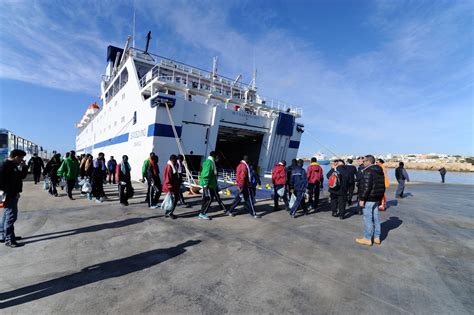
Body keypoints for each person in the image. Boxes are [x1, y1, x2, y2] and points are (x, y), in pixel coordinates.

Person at [355, 155, 386, 246]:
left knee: (368, 218)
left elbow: (366, 187)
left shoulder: (368, 171)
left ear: (368, 161)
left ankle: (367, 238)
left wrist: (362, 199)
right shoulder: (379, 170)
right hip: (376, 198)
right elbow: (382, 186)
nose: (363, 162)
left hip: (369, 198)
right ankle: (377, 237)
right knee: (375, 217)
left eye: (364, 161)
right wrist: (380, 198)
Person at [0, 149, 28, 247]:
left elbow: (21, 177)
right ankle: (9, 239)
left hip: (12, 194)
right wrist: (13, 193)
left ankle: (3, 235)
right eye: (21, 158)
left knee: (6, 215)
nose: (22, 160)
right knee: (11, 217)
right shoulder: (5, 165)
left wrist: (24, 167)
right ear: (16, 156)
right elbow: (2, 183)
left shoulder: (13, 166)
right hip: (9, 195)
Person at [198, 151, 220, 220]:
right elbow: (205, 174)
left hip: (210, 185)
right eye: (216, 156)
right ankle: (202, 213)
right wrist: (205, 184)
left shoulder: (209, 162)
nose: (217, 158)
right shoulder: (209, 163)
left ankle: (202, 213)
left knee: (206, 199)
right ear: (214, 156)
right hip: (208, 185)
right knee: (208, 199)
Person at [162, 154, 180, 219]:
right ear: (172, 160)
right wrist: (170, 188)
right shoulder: (169, 167)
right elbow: (167, 178)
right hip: (171, 187)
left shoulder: (173, 166)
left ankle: (168, 213)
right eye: (175, 160)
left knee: (172, 200)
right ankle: (170, 213)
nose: (176, 162)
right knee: (172, 201)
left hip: (174, 186)